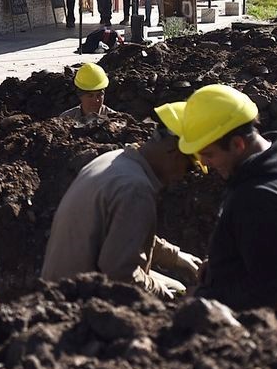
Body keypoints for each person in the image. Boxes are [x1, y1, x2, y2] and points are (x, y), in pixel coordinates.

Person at [176, 84, 277, 323]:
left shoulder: (261, 197)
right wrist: (225, 266)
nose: (208, 166)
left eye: (209, 155)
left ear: (238, 144)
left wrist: (204, 298)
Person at [42, 102, 203, 299]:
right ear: (173, 151)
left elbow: (123, 232)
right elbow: (121, 275)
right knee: (178, 294)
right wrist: (168, 299)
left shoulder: (116, 160)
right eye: (190, 167)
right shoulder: (136, 189)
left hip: (61, 284)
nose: (183, 176)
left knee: (176, 286)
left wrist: (175, 257)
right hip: (78, 301)